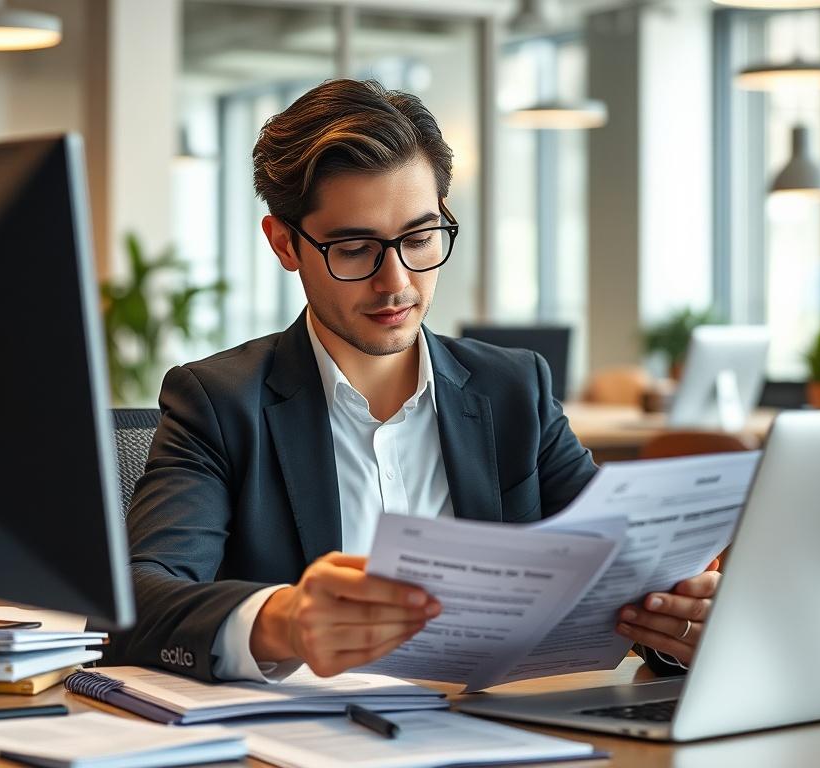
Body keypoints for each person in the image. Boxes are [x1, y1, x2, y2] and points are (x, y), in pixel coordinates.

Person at [108, 79, 719, 683]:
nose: (396, 282)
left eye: (421, 238)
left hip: (497, 734)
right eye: (354, 249)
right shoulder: (219, 404)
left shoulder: (515, 391)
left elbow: (625, 575)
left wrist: (678, 627)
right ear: (285, 244)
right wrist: (281, 621)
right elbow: (135, 602)